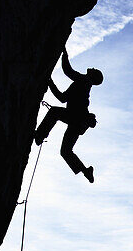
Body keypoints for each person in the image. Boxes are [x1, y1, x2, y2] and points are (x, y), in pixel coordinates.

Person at [34, 49, 103, 183]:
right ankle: (85, 170)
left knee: (54, 112)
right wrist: (49, 82)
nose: (92, 68)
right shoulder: (84, 83)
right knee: (65, 151)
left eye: (94, 70)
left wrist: (64, 54)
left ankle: (40, 135)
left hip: (76, 118)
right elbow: (62, 98)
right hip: (77, 121)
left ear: (93, 75)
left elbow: (67, 71)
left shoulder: (84, 80)